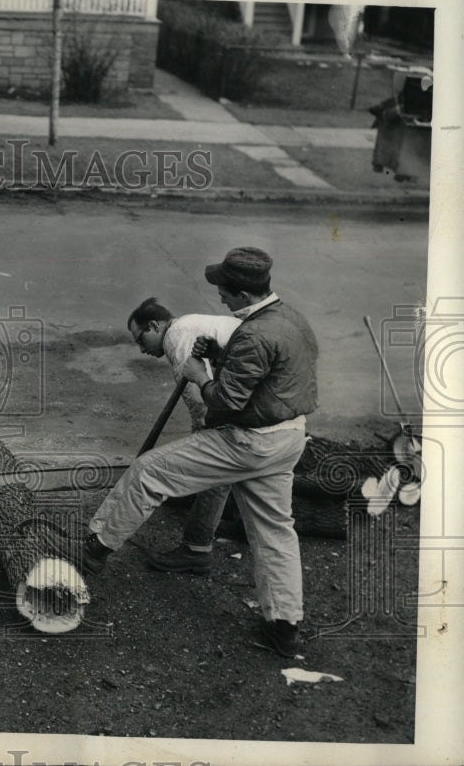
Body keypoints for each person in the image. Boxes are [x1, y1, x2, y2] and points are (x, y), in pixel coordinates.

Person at [83, 247, 318, 657]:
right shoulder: (289, 318)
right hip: (289, 438)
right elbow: (273, 375)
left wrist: (198, 376)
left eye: (225, 292)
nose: (222, 300)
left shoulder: (254, 334)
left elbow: (222, 403)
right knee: (275, 530)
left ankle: (93, 552)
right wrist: (221, 356)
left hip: (250, 440)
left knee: (146, 472)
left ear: (244, 294)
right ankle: (284, 628)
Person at [126, 297, 240, 574]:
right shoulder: (187, 326)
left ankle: (196, 550)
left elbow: (201, 406)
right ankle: (242, 523)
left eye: (141, 340)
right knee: (234, 454)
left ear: (154, 325)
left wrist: (202, 446)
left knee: (215, 462)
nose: (142, 350)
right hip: (261, 391)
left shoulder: (177, 337)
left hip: (255, 391)